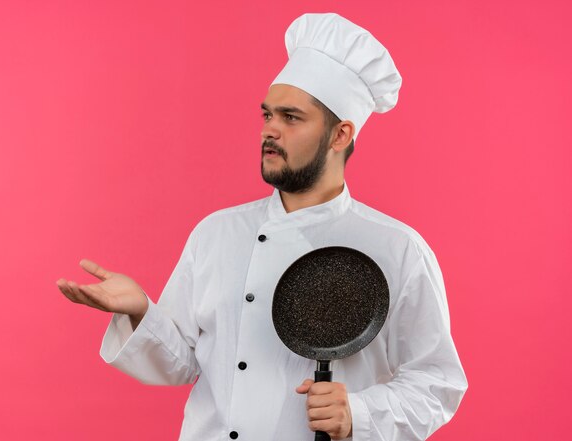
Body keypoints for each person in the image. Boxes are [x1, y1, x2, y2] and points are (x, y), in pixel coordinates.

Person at [57, 12, 467, 441]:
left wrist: (359, 414)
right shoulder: (216, 234)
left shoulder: (396, 248)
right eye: (267, 115)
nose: (269, 131)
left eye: (291, 118)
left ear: (340, 135)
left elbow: (438, 383)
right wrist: (141, 311)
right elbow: (184, 364)